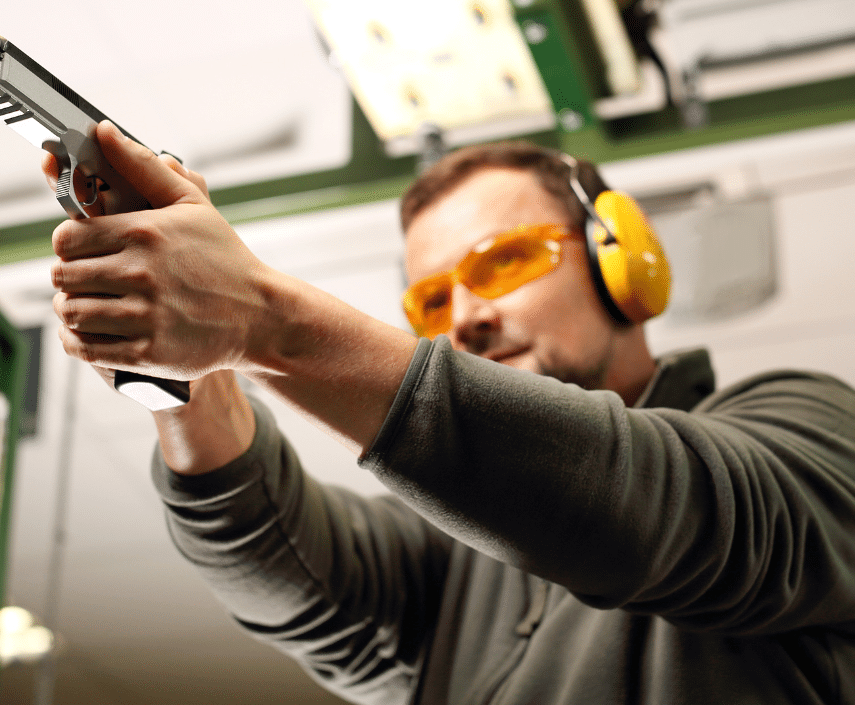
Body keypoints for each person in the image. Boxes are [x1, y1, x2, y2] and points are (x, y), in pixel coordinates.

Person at [46, 121, 855, 704]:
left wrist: (263, 323)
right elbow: (281, 563)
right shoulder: (453, 569)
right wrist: (188, 376)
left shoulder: (805, 423)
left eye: (503, 262)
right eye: (431, 298)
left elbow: (656, 507)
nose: (463, 317)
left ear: (626, 263)